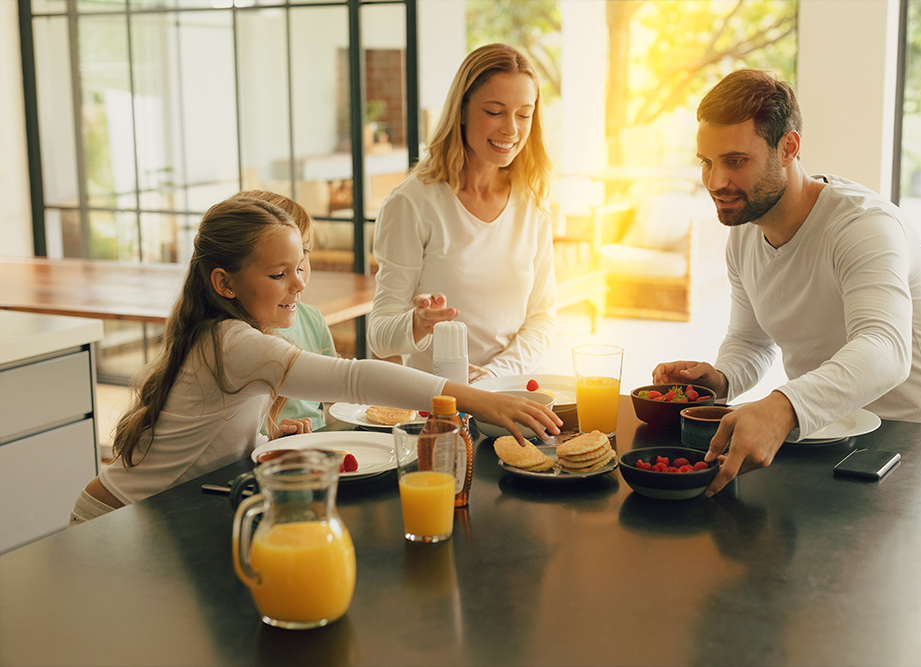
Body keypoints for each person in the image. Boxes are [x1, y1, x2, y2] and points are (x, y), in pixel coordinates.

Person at [70, 195, 561, 523]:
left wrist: (263, 435)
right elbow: (355, 379)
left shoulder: (228, 335)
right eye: (279, 274)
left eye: (299, 267)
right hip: (114, 521)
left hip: (144, 512)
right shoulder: (235, 342)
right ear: (225, 283)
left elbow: (206, 432)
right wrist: (478, 401)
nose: (299, 284)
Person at [652, 69, 921, 497]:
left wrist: (783, 407)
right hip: (827, 436)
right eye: (707, 163)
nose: (715, 182)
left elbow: (884, 346)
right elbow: (751, 340)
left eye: (736, 161)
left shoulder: (863, 227)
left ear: (788, 148)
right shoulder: (745, 231)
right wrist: (721, 378)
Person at [367, 43, 557, 383]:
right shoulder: (413, 203)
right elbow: (379, 334)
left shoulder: (532, 201)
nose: (511, 129)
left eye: (523, 114)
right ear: (463, 110)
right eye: (495, 111)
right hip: (438, 407)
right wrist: (417, 323)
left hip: (514, 395)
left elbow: (542, 318)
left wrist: (494, 376)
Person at [240, 189, 337, 432]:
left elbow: (338, 397)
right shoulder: (235, 338)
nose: (300, 277)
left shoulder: (312, 318)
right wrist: (273, 438)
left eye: (304, 252)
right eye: (280, 267)